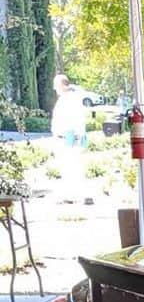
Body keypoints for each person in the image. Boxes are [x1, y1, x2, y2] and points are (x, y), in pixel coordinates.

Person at [51, 74, 90, 205]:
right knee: (68, 167)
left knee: (72, 167)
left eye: (56, 85)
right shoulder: (66, 99)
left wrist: (76, 136)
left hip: (69, 138)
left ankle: (77, 195)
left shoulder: (70, 99)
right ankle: (70, 194)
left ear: (62, 85)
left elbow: (75, 120)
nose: (54, 88)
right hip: (65, 137)